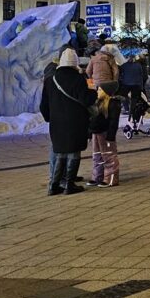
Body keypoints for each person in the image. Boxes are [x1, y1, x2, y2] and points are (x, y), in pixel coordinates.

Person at [40, 49, 97, 195]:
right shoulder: (78, 79)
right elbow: (86, 99)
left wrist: (50, 118)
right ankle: (69, 184)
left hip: (57, 122)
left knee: (60, 152)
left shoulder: (50, 80)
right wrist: (93, 92)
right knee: (73, 152)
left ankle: (54, 185)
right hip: (75, 121)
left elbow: (43, 106)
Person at [87, 80, 124, 187]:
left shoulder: (113, 104)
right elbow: (92, 120)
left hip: (106, 134)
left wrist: (110, 136)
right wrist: (89, 133)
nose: (97, 91)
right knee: (97, 156)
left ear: (106, 92)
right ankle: (97, 176)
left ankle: (111, 178)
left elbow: (113, 122)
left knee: (109, 156)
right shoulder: (97, 102)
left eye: (100, 89)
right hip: (96, 133)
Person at [119, 54, 146, 122]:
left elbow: (119, 74)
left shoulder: (124, 66)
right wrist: (141, 86)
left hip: (126, 84)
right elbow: (141, 75)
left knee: (123, 96)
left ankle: (128, 108)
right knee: (134, 100)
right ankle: (133, 113)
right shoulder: (138, 65)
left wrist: (121, 80)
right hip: (136, 85)